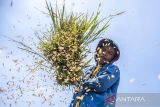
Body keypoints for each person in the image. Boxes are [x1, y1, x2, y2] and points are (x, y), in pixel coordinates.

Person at [69, 38, 120, 107]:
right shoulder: (87, 71)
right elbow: (76, 94)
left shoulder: (113, 69)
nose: (105, 54)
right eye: (103, 49)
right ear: (98, 50)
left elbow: (101, 84)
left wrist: (83, 83)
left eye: (110, 53)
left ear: (112, 58)